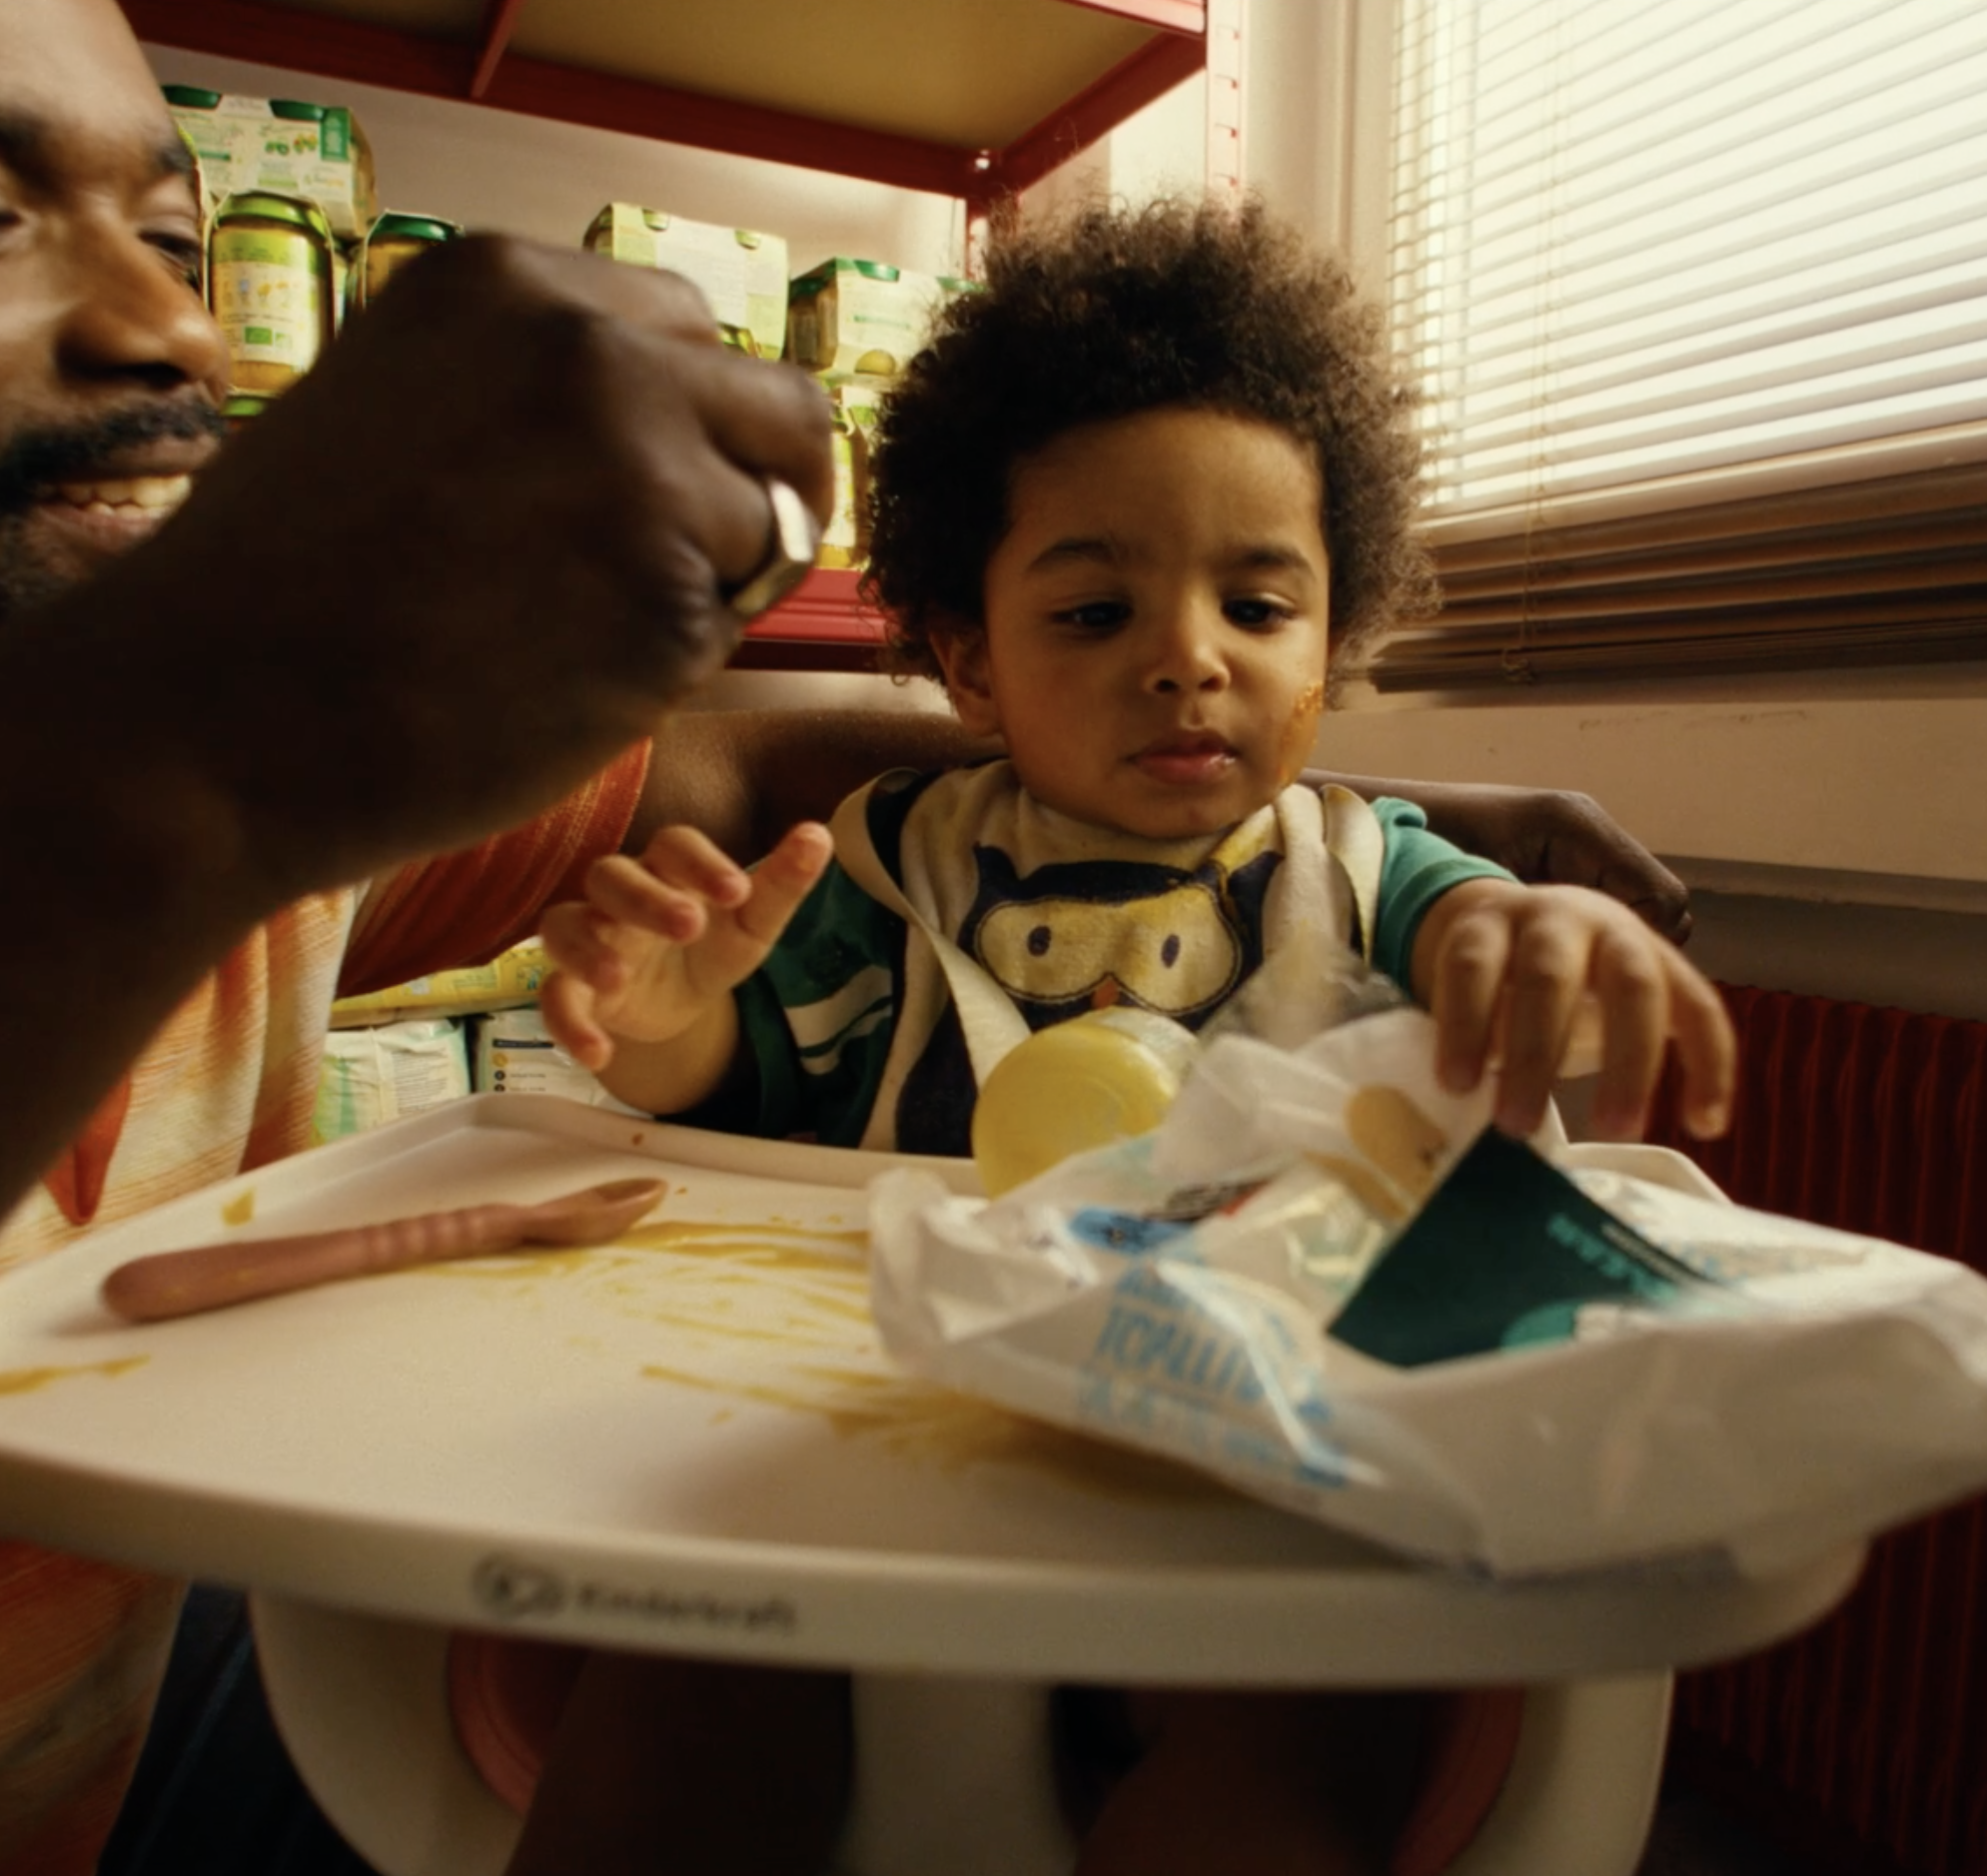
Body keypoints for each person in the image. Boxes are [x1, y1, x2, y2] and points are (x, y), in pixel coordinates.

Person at [0, 4, 1707, 1870]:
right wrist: (243, 744)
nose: (169, 332)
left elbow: (737, 767)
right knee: (684, 1681)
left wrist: (1429, 855)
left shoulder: (263, 738)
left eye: (172, 230)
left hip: (119, 1705)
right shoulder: (205, 728)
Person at [533, 198, 1736, 1876]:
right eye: (1096, 613)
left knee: (1290, 1757)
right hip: (879, 1456)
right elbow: (742, 1086)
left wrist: (1535, 932)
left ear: (1334, 638)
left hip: (1251, 1481)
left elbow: (1476, 934)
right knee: (671, 1699)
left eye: (1258, 604)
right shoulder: (888, 866)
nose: (1188, 658)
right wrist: (662, 1024)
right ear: (967, 657)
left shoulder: (1366, 866)